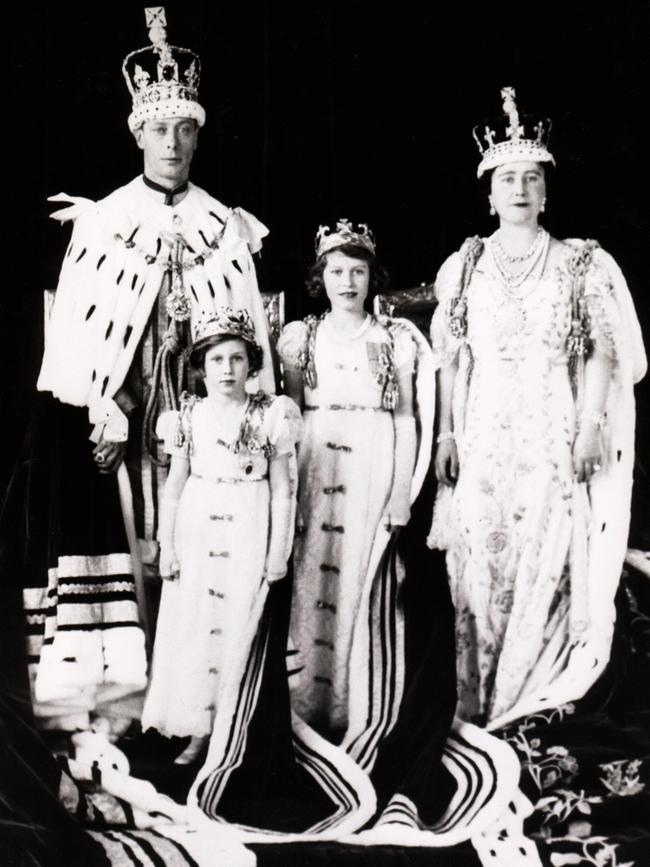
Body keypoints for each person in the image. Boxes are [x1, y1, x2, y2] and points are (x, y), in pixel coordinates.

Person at [17, 7, 275, 729]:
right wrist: (103, 407)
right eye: (160, 129)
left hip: (205, 416)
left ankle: (201, 698)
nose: (173, 142)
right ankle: (131, 701)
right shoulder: (101, 224)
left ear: (199, 134)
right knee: (136, 542)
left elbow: (249, 337)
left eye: (185, 129)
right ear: (137, 133)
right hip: (127, 420)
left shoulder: (225, 227)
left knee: (201, 546)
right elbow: (75, 345)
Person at [428, 87, 647, 727]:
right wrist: (446, 434)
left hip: (553, 427)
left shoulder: (582, 262)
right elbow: (453, 358)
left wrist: (589, 428)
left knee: (544, 553)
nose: (518, 189)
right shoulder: (464, 266)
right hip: (484, 429)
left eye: (530, 178)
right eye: (506, 179)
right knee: (479, 556)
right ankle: (475, 706)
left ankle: (527, 704)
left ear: (546, 192)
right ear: (488, 192)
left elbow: (603, 356)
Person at [278, 218, 437, 748]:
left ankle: (355, 708)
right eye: (337, 271)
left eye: (358, 271)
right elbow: (294, 415)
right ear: (319, 277)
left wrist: (399, 493)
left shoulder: (395, 340)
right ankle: (305, 707)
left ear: (374, 276)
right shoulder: (301, 338)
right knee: (310, 584)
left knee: (361, 585)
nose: (347, 282)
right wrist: (291, 493)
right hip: (316, 466)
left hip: (371, 463)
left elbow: (405, 419)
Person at [140, 307, 299, 764]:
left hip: (248, 521)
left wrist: (278, 553)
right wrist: (167, 546)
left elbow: (282, 491)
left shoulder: (272, 414)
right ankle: (198, 728)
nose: (227, 369)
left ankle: (236, 726)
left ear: (251, 364)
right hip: (198, 524)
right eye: (216, 360)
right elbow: (174, 488)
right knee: (195, 624)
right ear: (200, 367)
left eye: (236, 359)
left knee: (239, 624)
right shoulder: (187, 417)